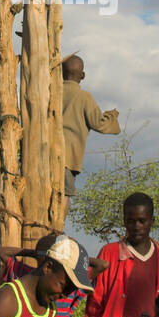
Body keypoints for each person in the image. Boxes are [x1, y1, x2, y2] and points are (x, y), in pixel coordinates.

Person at [85, 193, 159, 317]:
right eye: (131, 221)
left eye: (142, 221)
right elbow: (94, 305)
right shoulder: (109, 254)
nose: (136, 226)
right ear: (124, 221)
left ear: (151, 222)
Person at [61, 54, 120, 215]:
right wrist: (112, 116)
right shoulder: (84, 97)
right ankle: (56, 230)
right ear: (83, 75)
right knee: (64, 194)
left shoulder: (50, 91)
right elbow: (99, 123)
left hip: (42, 154)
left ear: (61, 72)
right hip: (68, 157)